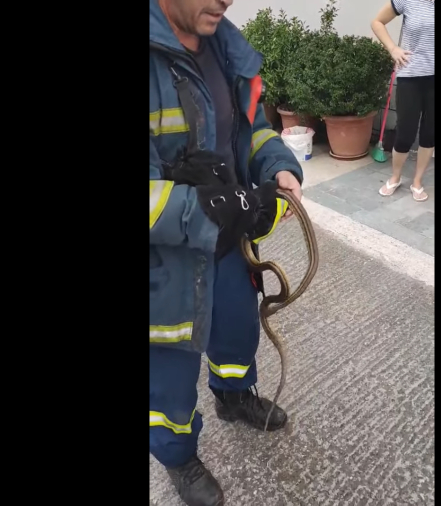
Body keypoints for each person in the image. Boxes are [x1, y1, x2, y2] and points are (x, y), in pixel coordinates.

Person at [148, 0, 304, 504]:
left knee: (237, 330)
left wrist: (277, 166)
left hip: (229, 246)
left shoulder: (225, 49)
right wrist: (211, 209)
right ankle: (178, 457)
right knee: (168, 375)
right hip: (165, 267)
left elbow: (250, 128)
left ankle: (233, 396)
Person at [371, 0, 435, 202]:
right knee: (405, 133)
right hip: (411, 76)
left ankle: (417, 181)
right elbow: (377, 22)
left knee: (430, 134)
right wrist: (393, 49)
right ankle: (395, 177)